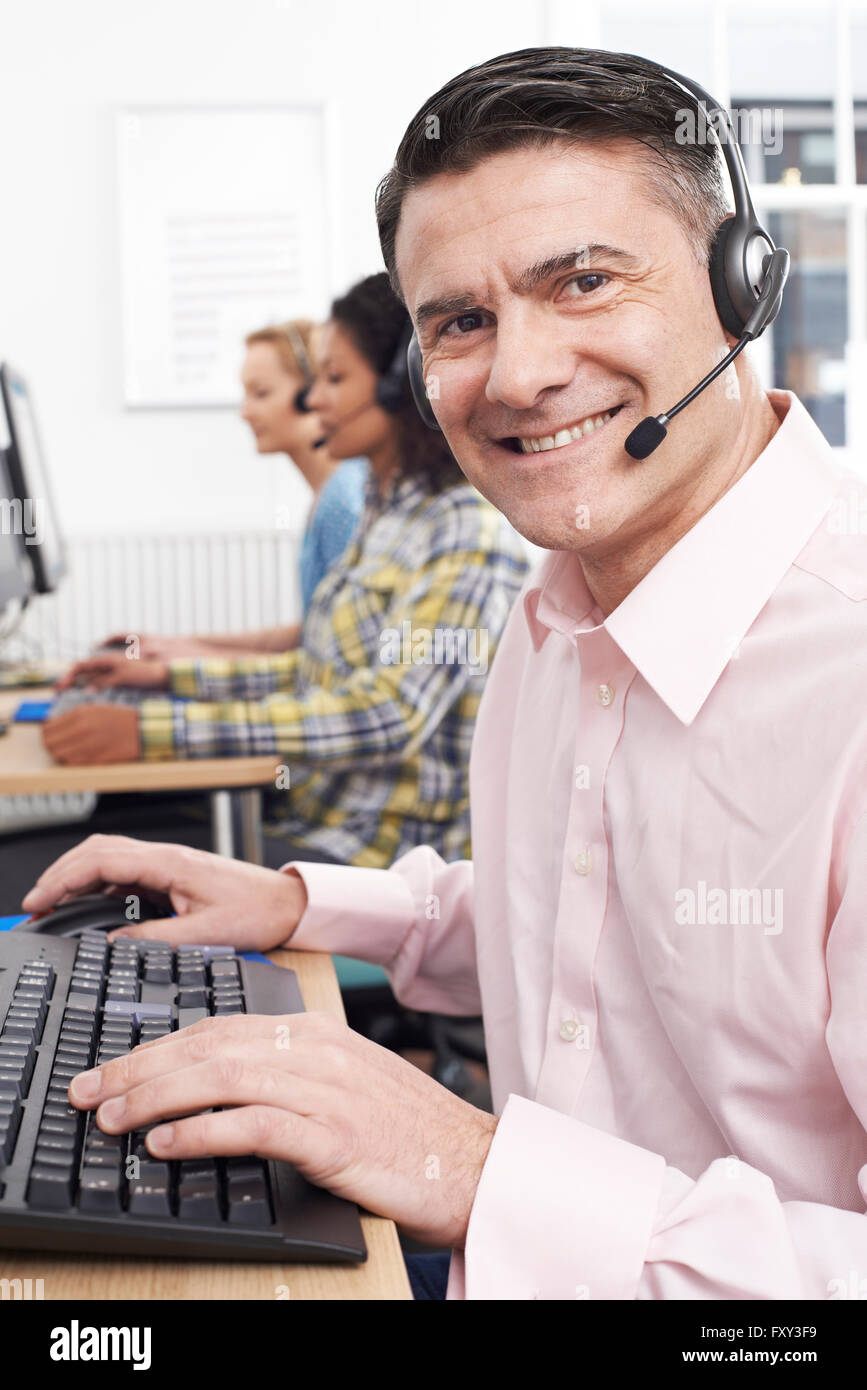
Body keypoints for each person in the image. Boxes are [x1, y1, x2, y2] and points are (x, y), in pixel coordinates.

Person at [25, 44, 863, 1303]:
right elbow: (601, 916)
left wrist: (470, 1164)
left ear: (745, 285)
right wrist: (303, 904)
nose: (517, 376)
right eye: (460, 322)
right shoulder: (563, 605)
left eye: (582, 279)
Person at [42, 273, 529, 872]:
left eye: (334, 378)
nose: (313, 400)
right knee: (105, 828)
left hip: (377, 860)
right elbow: (316, 671)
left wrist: (153, 730)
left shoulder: (463, 529)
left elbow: (388, 715)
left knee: (71, 865)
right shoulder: (389, 510)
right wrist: (168, 681)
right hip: (313, 819)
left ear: (402, 384)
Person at [99, 319, 367, 662]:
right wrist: (179, 645)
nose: (244, 412)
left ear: (311, 395)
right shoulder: (330, 493)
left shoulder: (344, 501)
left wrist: (188, 659)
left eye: (261, 393)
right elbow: (312, 632)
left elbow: (339, 658)